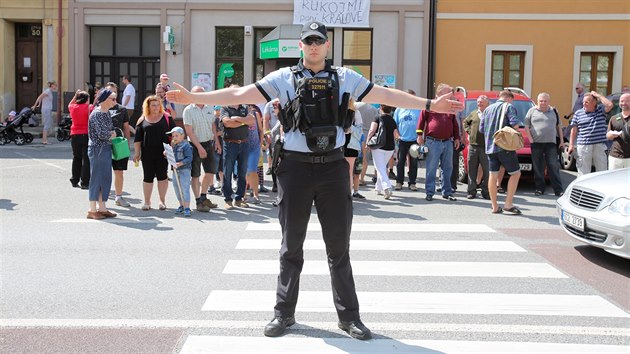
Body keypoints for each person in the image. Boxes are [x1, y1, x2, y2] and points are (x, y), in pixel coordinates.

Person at [165, 20, 462, 340]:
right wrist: (194, 100)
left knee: (339, 247)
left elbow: (385, 94)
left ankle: (349, 317)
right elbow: (239, 92)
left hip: (333, 168)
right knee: (290, 245)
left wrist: (432, 105)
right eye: (309, 41)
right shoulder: (283, 78)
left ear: (327, 45)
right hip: (294, 169)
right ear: (301, 46)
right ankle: (284, 313)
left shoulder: (345, 77)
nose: (314, 46)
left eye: (319, 40)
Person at [479, 90, 522, 215]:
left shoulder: (487, 109)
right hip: (505, 147)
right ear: (509, 98)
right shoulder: (509, 107)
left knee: (493, 175)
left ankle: (494, 206)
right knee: (515, 174)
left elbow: (482, 129)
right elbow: (515, 125)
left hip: (490, 148)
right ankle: (508, 204)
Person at [416, 83, 461, 202]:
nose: (450, 95)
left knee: (447, 168)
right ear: (439, 93)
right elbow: (421, 120)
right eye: (447, 92)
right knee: (431, 168)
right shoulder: (430, 104)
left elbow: (454, 123)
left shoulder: (449, 107)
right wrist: (419, 135)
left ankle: (447, 192)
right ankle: (429, 192)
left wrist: (457, 137)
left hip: (448, 142)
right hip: (433, 142)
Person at [133, 95, 177, 210]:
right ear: (148, 106)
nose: (156, 107)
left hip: (163, 153)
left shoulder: (167, 117)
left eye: (158, 105)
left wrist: (172, 147)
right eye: (153, 105)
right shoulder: (142, 119)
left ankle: (162, 201)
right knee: (148, 177)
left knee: (162, 177)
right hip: (147, 153)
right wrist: (137, 153)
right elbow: (137, 139)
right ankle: (147, 202)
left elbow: (175, 135)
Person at [182, 86, 221, 212]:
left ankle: (204, 197)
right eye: (197, 94)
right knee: (195, 175)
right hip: (194, 145)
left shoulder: (209, 107)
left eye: (202, 94)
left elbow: (213, 125)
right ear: (192, 95)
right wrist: (199, 147)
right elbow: (189, 131)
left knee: (210, 172)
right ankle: (198, 201)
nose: (201, 96)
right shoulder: (188, 110)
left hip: (209, 143)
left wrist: (217, 141)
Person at [219, 85, 255, 209]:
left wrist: (239, 119)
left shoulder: (245, 107)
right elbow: (227, 123)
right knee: (228, 171)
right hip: (230, 144)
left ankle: (239, 198)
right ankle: (228, 199)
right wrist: (244, 121)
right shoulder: (225, 108)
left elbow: (252, 121)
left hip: (244, 143)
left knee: (242, 172)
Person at [86, 89, 118, 220]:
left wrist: (111, 133)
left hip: (104, 148)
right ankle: (92, 209)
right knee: (96, 179)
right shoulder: (97, 114)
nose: (115, 101)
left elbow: (109, 130)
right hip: (97, 149)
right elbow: (102, 134)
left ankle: (102, 207)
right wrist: (112, 134)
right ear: (104, 99)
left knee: (105, 178)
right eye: (113, 99)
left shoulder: (105, 113)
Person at [524, 92, 564, 197]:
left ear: (548, 101)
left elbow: (559, 126)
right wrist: (530, 139)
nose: (543, 103)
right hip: (536, 143)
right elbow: (526, 126)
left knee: (553, 166)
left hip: (551, 144)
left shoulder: (554, 111)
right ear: (537, 101)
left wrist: (562, 141)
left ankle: (558, 190)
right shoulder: (531, 111)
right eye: (541, 101)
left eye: (545, 101)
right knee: (538, 167)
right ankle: (539, 189)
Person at [568, 91, 613, 176]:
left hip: (599, 144)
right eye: (583, 102)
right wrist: (571, 144)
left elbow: (610, 105)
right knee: (583, 171)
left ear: (594, 102)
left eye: (587, 102)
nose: (584, 104)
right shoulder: (578, 113)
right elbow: (574, 130)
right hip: (584, 145)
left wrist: (598, 95)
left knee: (602, 170)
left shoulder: (600, 110)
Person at [103, 82, 132, 207]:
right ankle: (103, 196)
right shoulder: (100, 108)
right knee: (104, 171)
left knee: (119, 171)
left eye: (114, 93)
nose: (112, 95)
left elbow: (126, 127)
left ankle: (118, 197)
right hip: (103, 144)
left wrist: (128, 144)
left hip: (118, 144)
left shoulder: (122, 109)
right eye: (109, 92)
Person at [367, 104, 399, 199]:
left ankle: (387, 187)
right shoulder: (392, 120)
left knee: (379, 167)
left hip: (379, 146)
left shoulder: (377, 117)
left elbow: (372, 130)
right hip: (390, 147)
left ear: (381, 108)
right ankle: (378, 188)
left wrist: (368, 141)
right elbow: (396, 135)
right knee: (382, 167)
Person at [393, 89, 421, 191]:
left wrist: (421, 136)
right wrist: (397, 134)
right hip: (403, 140)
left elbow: (422, 124)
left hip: (414, 140)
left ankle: (412, 183)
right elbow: (394, 124)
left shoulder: (418, 109)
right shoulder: (399, 109)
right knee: (400, 162)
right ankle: (399, 182)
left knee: (414, 162)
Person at [462, 95, 490, 200]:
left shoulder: (490, 114)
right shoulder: (473, 113)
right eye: (478, 102)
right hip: (473, 147)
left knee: (487, 171)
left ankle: (486, 192)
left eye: (482, 102)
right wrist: (470, 132)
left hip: (486, 147)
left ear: (487, 103)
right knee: (472, 170)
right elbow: (465, 123)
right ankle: (471, 191)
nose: (479, 104)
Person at [167, 126, 193, 217]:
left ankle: (187, 207)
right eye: (173, 136)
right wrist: (167, 154)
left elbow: (189, 158)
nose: (174, 138)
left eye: (176, 136)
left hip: (184, 170)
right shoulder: (174, 146)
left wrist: (181, 163)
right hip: (175, 170)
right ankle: (181, 205)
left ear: (182, 136)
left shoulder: (186, 146)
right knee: (176, 187)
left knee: (185, 188)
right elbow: (172, 157)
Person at [68, 90, 91, 189]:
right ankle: (84, 182)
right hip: (85, 134)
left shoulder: (73, 107)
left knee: (76, 157)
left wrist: (75, 95)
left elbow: (70, 103)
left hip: (74, 134)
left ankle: (74, 179)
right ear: (86, 99)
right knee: (86, 158)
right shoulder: (88, 107)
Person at [245, 104, 264, 204]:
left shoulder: (255, 114)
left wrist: (260, 143)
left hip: (254, 147)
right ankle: (243, 195)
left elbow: (261, 130)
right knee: (243, 171)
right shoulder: (241, 114)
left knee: (253, 170)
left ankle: (256, 194)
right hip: (243, 147)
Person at [606, 92, 630, 169]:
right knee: (613, 180)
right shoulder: (614, 118)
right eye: (622, 101)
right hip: (615, 157)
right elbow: (608, 135)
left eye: (627, 101)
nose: (624, 103)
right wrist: (612, 134)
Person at [343, 100, 363, 193]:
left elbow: (359, 132)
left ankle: (348, 194)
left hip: (351, 145)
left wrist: (349, 128)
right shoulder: (338, 110)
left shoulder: (356, 113)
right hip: (338, 145)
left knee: (349, 171)